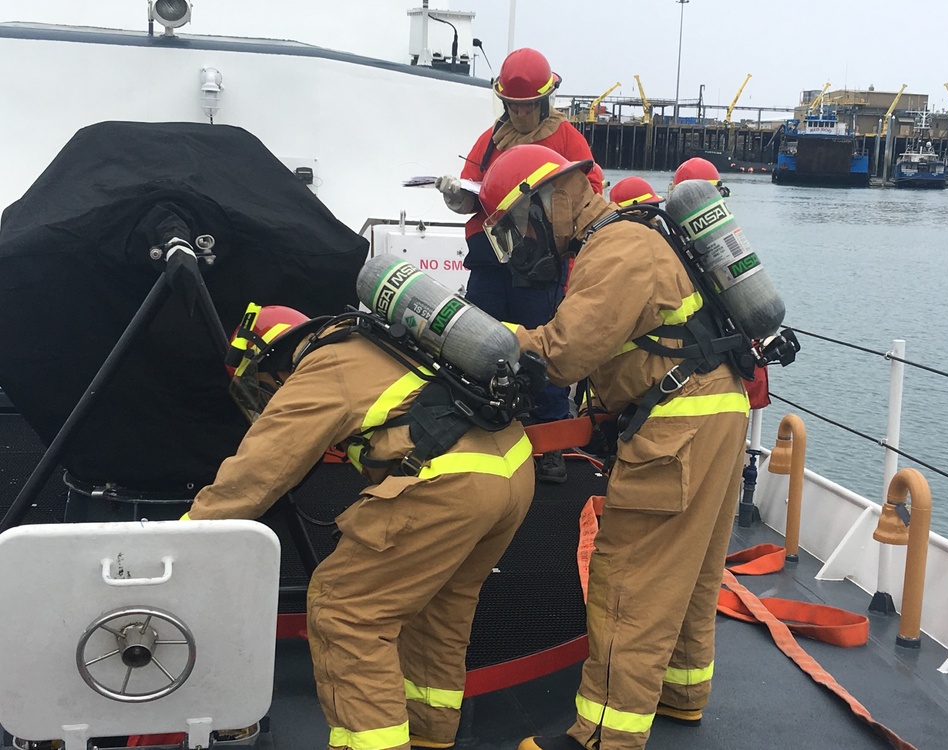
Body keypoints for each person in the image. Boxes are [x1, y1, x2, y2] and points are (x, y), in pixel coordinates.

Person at [477, 144, 750, 750]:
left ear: (557, 197)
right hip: (715, 412)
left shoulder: (616, 250)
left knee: (631, 577)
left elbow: (564, 353)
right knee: (693, 569)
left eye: (519, 225)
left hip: (679, 424)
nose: (521, 242)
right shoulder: (637, 236)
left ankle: (602, 735)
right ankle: (680, 693)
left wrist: (492, 337)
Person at [184, 303, 535, 750]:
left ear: (274, 358)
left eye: (265, 384)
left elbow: (260, 468)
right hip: (513, 473)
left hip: (452, 486)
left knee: (346, 611)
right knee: (440, 611)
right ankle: (429, 735)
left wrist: (190, 532)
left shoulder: (326, 362)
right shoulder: (380, 342)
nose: (269, 393)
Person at [435, 47, 603, 485]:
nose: (522, 113)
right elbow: (475, 189)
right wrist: (459, 197)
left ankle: (550, 447)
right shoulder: (491, 139)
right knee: (475, 344)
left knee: (543, 354)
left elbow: (592, 188)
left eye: (528, 105)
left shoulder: (566, 138)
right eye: (514, 105)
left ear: (544, 101)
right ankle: (476, 427)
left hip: (540, 265)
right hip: (491, 261)